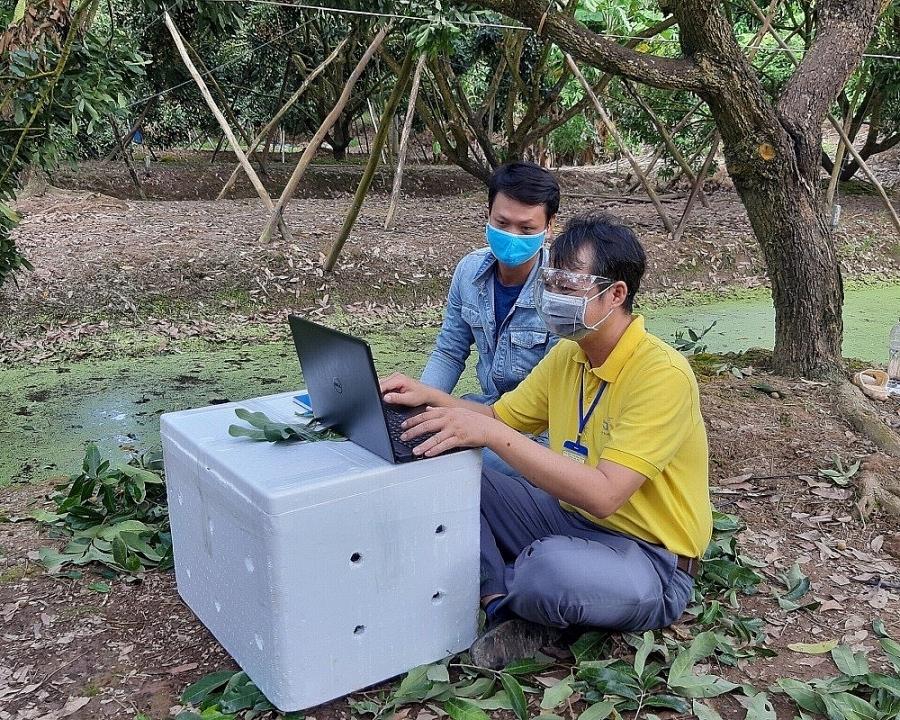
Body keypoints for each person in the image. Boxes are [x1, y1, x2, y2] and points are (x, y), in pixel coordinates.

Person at [381, 213, 711, 669]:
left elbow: (603, 494)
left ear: (615, 294)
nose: (552, 297)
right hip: (563, 519)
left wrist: (493, 435)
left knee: (548, 570)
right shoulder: (569, 355)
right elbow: (499, 415)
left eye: (568, 285)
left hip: (650, 557)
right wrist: (430, 397)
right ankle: (499, 601)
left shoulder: (662, 375)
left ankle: (516, 581)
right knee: (449, 477)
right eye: (550, 281)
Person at [421, 161, 560, 475]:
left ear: (549, 227)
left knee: (453, 462)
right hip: (486, 407)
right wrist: (419, 405)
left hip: (544, 430)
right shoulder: (469, 272)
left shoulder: (561, 291)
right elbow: (449, 350)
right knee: (416, 437)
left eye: (526, 229)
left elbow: (555, 394)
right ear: (488, 215)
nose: (512, 236)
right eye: (502, 222)